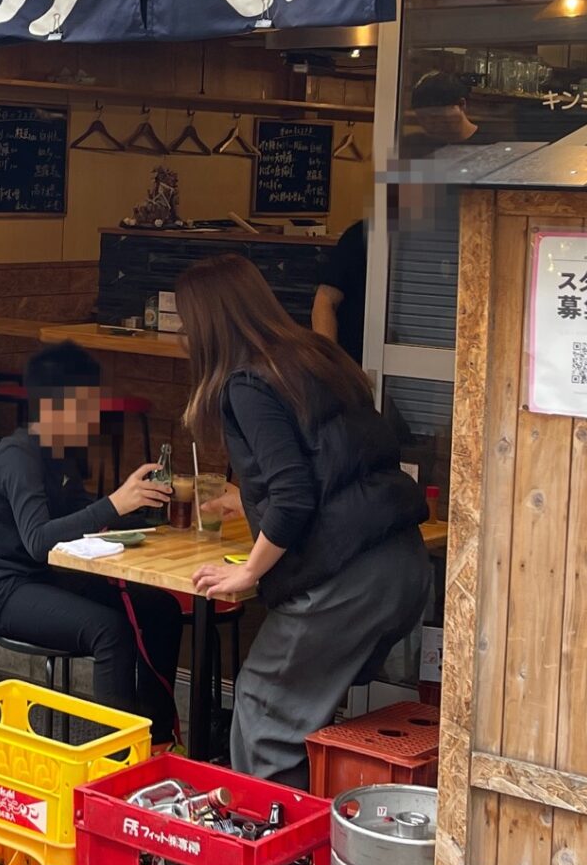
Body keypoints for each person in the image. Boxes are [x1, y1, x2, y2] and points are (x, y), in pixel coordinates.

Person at [178, 254, 430, 787]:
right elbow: (327, 457)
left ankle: (281, 858)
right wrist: (245, 494)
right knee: (303, 718)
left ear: (206, 324)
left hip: (345, 580)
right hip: (403, 564)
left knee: (264, 714)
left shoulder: (246, 383)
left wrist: (248, 571)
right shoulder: (315, 354)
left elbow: (294, 496)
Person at [0, 342, 184, 748]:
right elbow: (39, 540)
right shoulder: (17, 455)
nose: (95, 417)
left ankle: (158, 739)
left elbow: (83, 517)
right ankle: (118, 758)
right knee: (110, 631)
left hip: (44, 578)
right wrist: (116, 501)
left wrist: (149, 506)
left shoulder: (61, 453)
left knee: (161, 608)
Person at [311, 218, 367, 365]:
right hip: (351, 358)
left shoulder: (429, 241)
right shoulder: (360, 235)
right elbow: (324, 302)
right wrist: (329, 362)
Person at [406, 71, 478, 158]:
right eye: (422, 118)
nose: (429, 124)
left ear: (461, 104)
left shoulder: (490, 144)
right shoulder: (416, 146)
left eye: (436, 116)